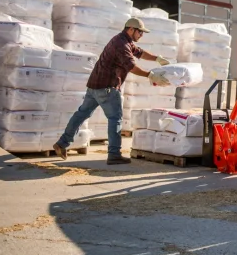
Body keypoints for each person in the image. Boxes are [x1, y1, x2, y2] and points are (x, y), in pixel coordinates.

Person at [53, 17, 172, 164]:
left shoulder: (123, 41)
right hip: (108, 87)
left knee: (81, 115)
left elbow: (139, 52)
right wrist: (150, 75)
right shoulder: (121, 44)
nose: (142, 35)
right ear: (131, 29)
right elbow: (130, 66)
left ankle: (61, 143)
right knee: (115, 119)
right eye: (140, 32)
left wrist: (157, 59)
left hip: (94, 86)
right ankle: (114, 154)